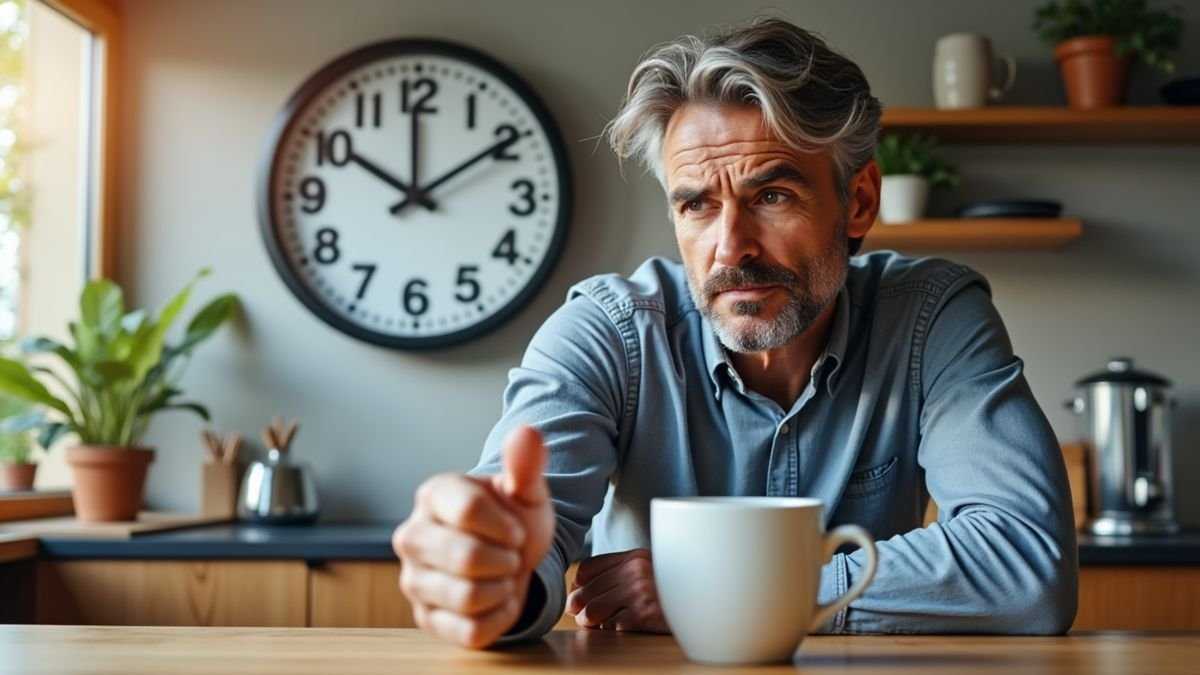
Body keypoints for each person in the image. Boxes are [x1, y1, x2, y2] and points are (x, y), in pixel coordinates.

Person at [392, 17, 1078, 649]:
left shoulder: (932, 318)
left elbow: (1026, 562)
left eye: (771, 196)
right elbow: (521, 547)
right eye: (697, 204)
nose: (731, 247)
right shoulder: (606, 333)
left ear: (859, 200)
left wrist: (720, 590)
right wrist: (493, 578)